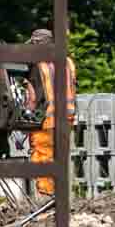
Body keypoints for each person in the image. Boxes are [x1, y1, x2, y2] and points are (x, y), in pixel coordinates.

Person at [26, 27, 76, 197]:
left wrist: (26, 121)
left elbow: (34, 97)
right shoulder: (67, 62)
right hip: (67, 118)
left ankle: (46, 201)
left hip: (47, 120)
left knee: (43, 158)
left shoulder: (38, 65)